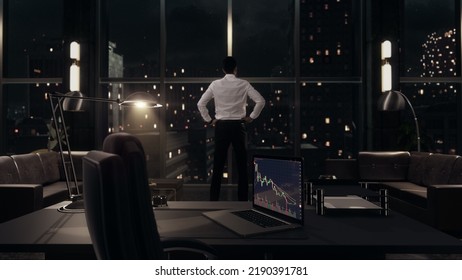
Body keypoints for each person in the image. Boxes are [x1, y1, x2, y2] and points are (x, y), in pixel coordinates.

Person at [197, 56, 265, 201]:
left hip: (221, 126)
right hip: (238, 126)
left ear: (223, 69)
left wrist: (209, 120)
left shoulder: (215, 84)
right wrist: (252, 117)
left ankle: (213, 200)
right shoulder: (244, 84)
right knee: (241, 165)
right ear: (235, 69)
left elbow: (200, 104)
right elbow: (261, 101)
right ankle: (242, 201)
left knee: (218, 166)